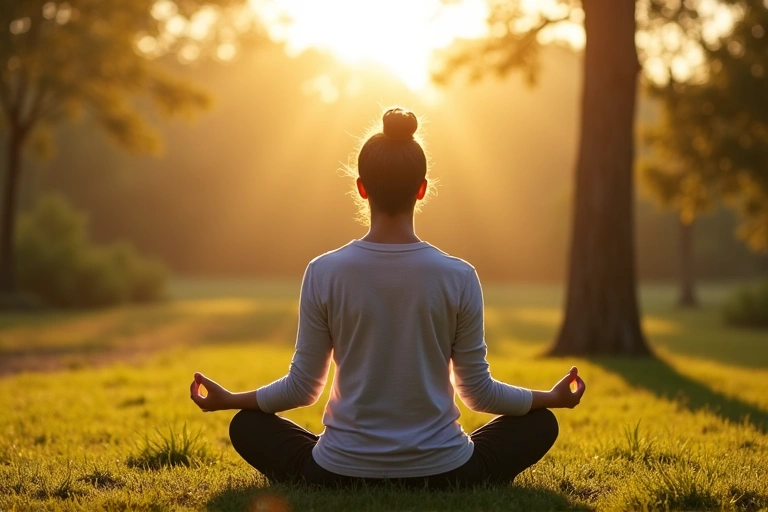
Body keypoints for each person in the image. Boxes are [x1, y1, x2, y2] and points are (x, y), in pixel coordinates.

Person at [189, 107, 586, 489]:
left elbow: (302, 388)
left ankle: (339, 463)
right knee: (540, 421)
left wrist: (230, 399)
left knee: (246, 424)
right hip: (447, 470)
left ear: (361, 188)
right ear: (422, 189)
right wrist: (551, 397)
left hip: (338, 471)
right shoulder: (459, 275)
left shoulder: (324, 271)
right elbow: (478, 393)